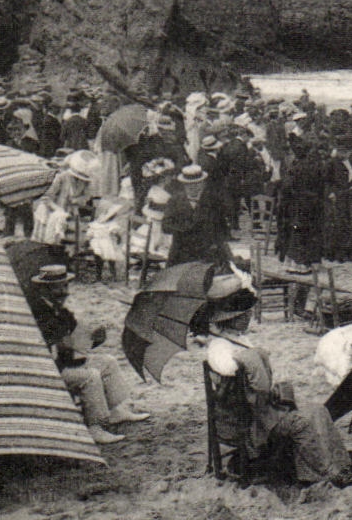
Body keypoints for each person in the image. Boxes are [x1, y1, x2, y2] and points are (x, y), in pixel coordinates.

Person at [205, 288, 352, 485]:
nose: (248, 318)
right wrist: (247, 359)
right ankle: (327, 473)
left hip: (259, 408)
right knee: (302, 423)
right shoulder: (219, 347)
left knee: (319, 410)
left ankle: (340, 466)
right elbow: (228, 368)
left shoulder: (238, 339)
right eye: (244, 315)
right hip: (248, 419)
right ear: (232, 319)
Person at [26, 264, 148, 445]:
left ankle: (115, 410)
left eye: (65, 286)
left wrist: (96, 338)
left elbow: (77, 340)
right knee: (90, 377)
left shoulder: (60, 310)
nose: (64, 292)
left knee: (107, 362)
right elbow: (58, 344)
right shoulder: (38, 312)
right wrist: (73, 342)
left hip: (64, 360)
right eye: (58, 287)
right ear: (45, 289)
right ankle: (95, 426)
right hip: (47, 368)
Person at [163, 165, 233, 266]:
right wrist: (186, 228)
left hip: (207, 252)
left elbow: (222, 228)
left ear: (203, 183)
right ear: (183, 184)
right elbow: (165, 226)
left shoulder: (213, 200)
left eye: (196, 184)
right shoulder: (175, 200)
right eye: (188, 185)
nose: (192, 187)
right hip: (182, 252)